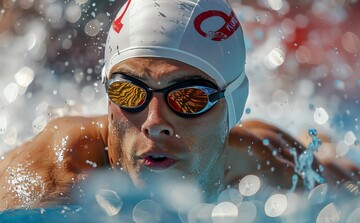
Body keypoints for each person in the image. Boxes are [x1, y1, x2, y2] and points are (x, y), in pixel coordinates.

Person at [0, 0, 358, 211]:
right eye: (129, 93)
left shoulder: (270, 168)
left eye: (189, 98)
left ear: (233, 107)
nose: (154, 122)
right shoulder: (51, 179)